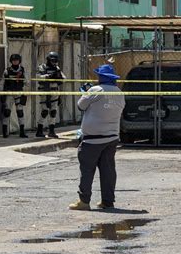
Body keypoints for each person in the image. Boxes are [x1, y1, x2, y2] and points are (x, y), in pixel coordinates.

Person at [69, 64, 126, 210]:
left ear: (101, 77)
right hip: (112, 136)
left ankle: (84, 201)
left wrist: (85, 93)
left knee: (87, 170)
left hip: (93, 138)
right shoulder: (119, 92)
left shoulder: (96, 90)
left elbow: (81, 106)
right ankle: (107, 201)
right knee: (108, 171)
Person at [36, 51, 66, 138]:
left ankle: (51, 131)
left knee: (53, 111)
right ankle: (39, 130)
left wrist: (58, 76)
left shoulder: (57, 68)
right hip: (45, 91)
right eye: (52, 60)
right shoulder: (42, 67)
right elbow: (38, 76)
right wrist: (48, 76)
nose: (54, 62)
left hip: (54, 91)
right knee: (44, 111)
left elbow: (64, 78)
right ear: (48, 60)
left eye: (55, 61)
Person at [0, 53, 28, 138]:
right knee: (7, 112)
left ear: (19, 61)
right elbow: (1, 83)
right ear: (11, 61)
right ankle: (5, 132)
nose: (15, 62)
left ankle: (22, 132)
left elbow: (27, 82)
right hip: (9, 93)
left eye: (16, 60)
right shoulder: (7, 71)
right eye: (13, 60)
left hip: (18, 93)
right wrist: (1, 93)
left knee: (20, 112)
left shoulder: (22, 70)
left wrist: (24, 92)